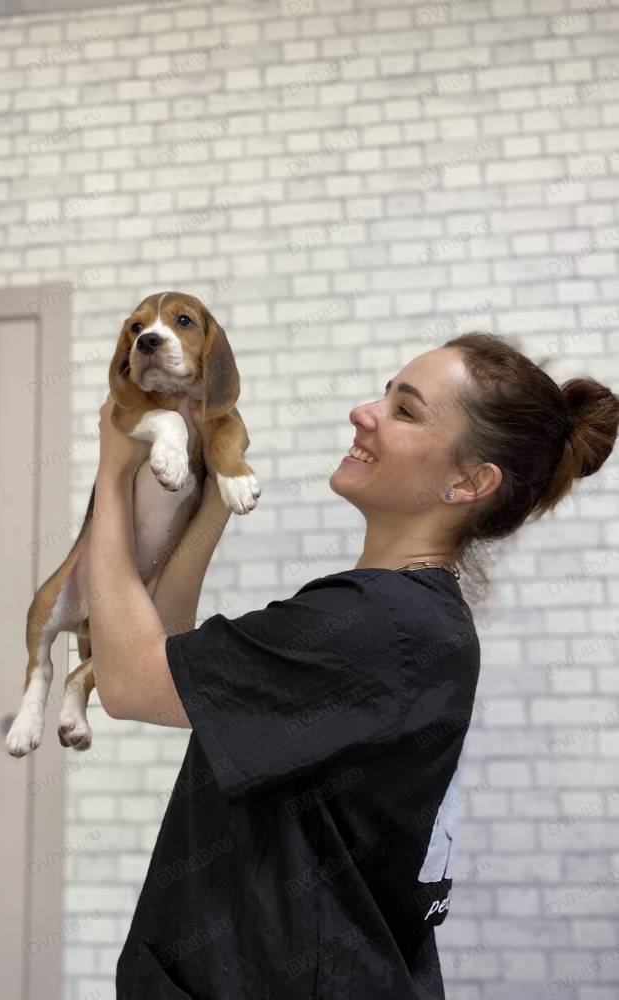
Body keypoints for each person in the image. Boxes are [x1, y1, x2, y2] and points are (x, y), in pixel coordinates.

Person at [86, 331, 619, 999]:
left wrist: (112, 472)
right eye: (384, 394)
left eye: (405, 410)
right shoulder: (412, 616)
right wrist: (217, 490)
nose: (363, 412)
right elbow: (167, 652)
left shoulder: (375, 622)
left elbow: (129, 681)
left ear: (468, 482)